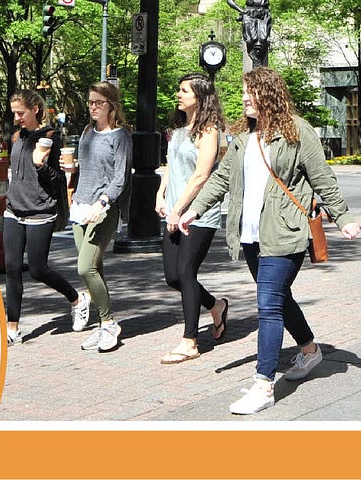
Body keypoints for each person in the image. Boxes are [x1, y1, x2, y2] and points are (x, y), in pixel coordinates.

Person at [178, 66, 361, 415]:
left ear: (269, 94)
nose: (244, 97)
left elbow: (323, 178)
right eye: (244, 92)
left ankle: (263, 385)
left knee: (269, 304)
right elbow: (220, 180)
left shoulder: (297, 132)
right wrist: (192, 209)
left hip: (284, 232)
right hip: (250, 235)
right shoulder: (244, 138)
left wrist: (343, 218)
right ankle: (310, 350)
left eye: (250, 92)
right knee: (278, 297)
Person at [156, 73, 232, 364]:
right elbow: (171, 166)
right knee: (172, 276)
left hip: (198, 212)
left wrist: (180, 209)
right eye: (179, 89)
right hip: (174, 209)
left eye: (184, 90)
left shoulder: (209, 130)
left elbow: (201, 175)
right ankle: (216, 306)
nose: (179, 94)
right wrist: (161, 195)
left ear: (199, 96)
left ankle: (190, 341)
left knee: (186, 271)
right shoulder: (178, 129)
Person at [3, 89, 88, 345]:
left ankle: (76, 298)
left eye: (21, 113)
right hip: (14, 209)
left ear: (35, 110)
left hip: (41, 210)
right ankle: (12, 328)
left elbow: (59, 181)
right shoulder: (18, 136)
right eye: (14, 113)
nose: (17, 117)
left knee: (38, 270)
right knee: (12, 269)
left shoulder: (51, 137)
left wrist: (41, 166)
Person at [69, 82, 134, 352]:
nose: (93, 107)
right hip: (81, 207)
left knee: (85, 268)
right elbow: (85, 168)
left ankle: (109, 323)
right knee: (96, 270)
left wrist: (103, 201)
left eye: (99, 103)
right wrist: (71, 167)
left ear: (112, 106)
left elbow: (120, 177)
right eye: (91, 102)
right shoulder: (87, 132)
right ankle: (101, 324)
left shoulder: (121, 137)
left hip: (103, 209)